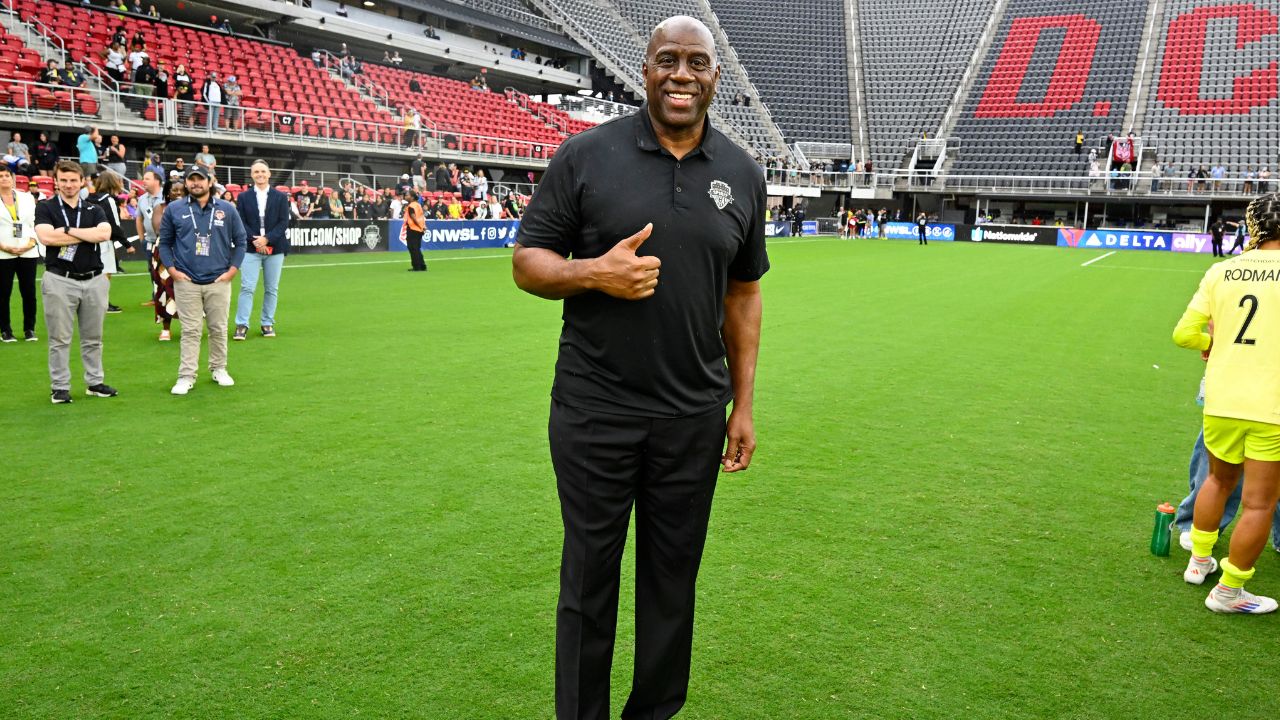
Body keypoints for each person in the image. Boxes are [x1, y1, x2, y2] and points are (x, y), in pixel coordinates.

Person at [511, 16, 768, 719]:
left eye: (696, 63)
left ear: (717, 77)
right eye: (666, 61)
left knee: (671, 584)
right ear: (644, 70)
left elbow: (744, 296)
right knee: (588, 582)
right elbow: (526, 262)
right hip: (596, 410)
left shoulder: (742, 173)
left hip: (692, 417)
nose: (681, 74)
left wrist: (741, 406)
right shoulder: (586, 157)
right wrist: (596, 272)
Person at [1173, 192, 1280, 613]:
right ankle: (1230, 591)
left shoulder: (1222, 271)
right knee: (1259, 502)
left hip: (1221, 398)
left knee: (1217, 481)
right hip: (1271, 405)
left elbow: (1184, 334)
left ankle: (1199, 562)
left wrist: (1212, 342)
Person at [157, 167, 246, 395]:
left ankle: (219, 369)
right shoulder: (175, 209)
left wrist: (232, 271)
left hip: (219, 279)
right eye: (191, 180)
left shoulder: (227, 209)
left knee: (218, 328)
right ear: (186, 183)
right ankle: (186, 376)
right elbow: (165, 243)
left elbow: (241, 241)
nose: (196, 183)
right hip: (186, 280)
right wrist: (173, 271)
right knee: (190, 330)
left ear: (210, 181)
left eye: (200, 179)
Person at [33, 160, 115, 404]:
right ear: (56, 182)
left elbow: (104, 234)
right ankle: (60, 387)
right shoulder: (46, 207)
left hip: (94, 279)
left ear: (82, 182)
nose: (68, 185)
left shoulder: (94, 209)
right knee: (60, 338)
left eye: (73, 180)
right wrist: (83, 235)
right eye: (64, 180)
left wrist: (66, 231)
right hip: (60, 279)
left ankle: (95, 382)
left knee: (93, 337)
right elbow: (46, 237)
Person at [234, 159, 290, 341]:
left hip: (275, 248)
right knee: (247, 287)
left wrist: (267, 239)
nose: (260, 175)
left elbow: (283, 222)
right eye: (256, 172)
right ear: (252, 175)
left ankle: (267, 322)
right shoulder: (243, 197)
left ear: (269, 174)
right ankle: (241, 324)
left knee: (271, 288)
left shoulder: (280, 197)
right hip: (251, 249)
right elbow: (240, 222)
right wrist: (256, 240)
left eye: (263, 171)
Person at [0, 166, 39, 343]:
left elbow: (34, 223)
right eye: (0, 176)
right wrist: (4, 247)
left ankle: (29, 329)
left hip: (27, 251)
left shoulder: (26, 198)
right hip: (3, 253)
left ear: (13, 177)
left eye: (7, 175)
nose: (4, 179)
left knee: (29, 292)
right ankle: (5, 330)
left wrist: (31, 242)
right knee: (3, 293)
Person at [86, 171, 132, 302]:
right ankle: (102, 302)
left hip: (89, 240)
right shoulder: (108, 200)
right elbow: (114, 224)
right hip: (104, 241)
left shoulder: (89, 198)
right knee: (105, 273)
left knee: (93, 273)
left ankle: (92, 300)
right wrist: (127, 244)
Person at [151, 179, 185, 340]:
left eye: (181, 190)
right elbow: (158, 229)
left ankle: (190, 326)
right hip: (164, 253)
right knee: (164, 289)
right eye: (174, 190)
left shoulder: (194, 206)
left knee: (189, 288)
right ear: (167, 192)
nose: (178, 193)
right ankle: (166, 328)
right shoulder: (161, 207)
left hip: (188, 252)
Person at [403, 188, 426, 272]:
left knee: (412, 248)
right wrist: (423, 226)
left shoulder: (411, 206)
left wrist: (419, 226)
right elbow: (421, 217)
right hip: (419, 229)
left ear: (412, 197)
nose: (405, 196)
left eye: (407, 195)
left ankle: (416, 266)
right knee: (417, 248)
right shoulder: (418, 205)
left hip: (413, 228)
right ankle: (422, 265)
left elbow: (413, 217)